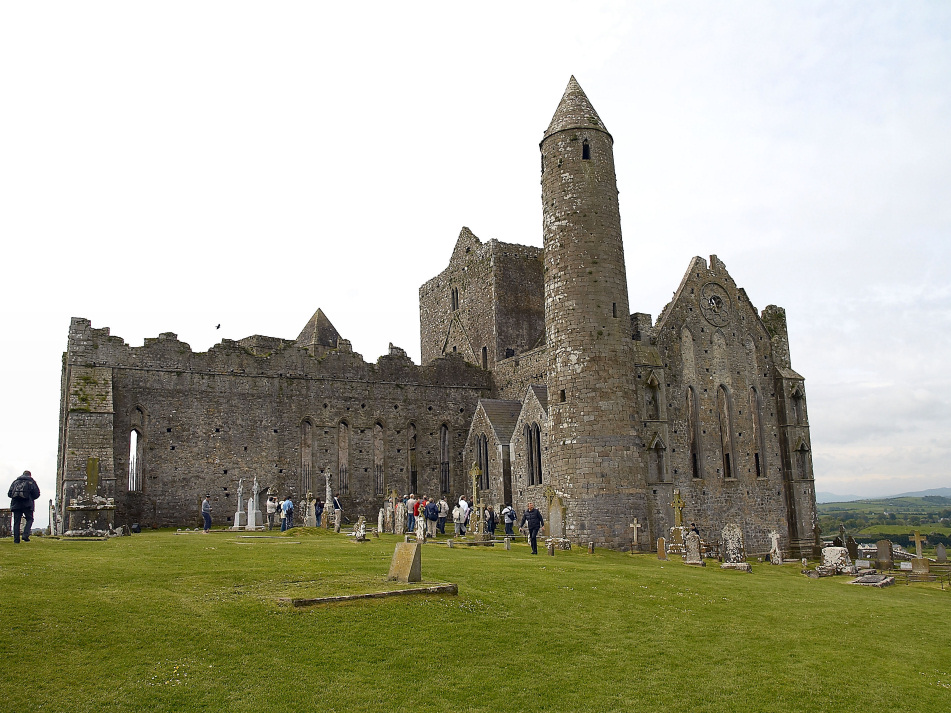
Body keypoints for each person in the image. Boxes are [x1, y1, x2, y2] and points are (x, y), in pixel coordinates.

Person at [8, 470, 40, 543]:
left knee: (16, 522)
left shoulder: (15, 482)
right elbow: (37, 494)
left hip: (16, 504)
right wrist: (30, 498)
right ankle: (25, 535)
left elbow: (10, 494)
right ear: (29, 475)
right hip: (27, 504)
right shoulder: (31, 482)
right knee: (30, 519)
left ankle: (16, 540)